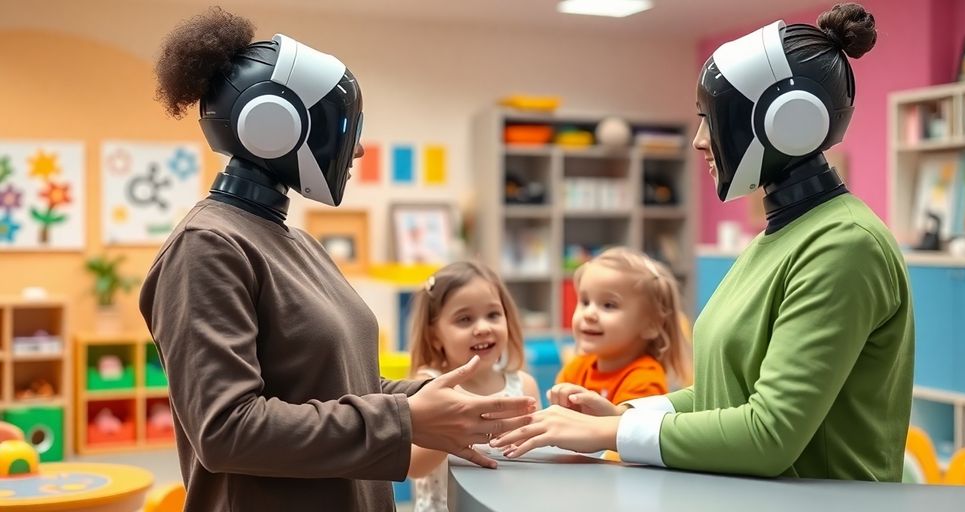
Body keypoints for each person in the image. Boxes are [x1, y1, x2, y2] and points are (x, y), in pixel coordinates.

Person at [494, 3, 915, 482]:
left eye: (711, 120)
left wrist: (611, 435)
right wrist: (620, 414)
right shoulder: (779, 238)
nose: (698, 141)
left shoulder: (845, 247)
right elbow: (725, 393)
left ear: (785, 122)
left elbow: (769, 435)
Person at [140, 8, 534, 511]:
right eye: (345, 126)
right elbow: (226, 430)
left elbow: (346, 383)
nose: (360, 149)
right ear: (273, 125)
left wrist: (439, 398)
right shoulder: (207, 247)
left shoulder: (297, 243)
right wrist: (407, 420)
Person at [405, 261, 541, 512]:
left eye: (493, 315)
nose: (483, 328)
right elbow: (414, 467)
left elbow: (536, 459)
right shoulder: (429, 385)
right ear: (435, 336)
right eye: (464, 319)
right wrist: (453, 429)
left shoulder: (524, 385)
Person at [552, 247, 692, 408]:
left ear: (651, 325)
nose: (589, 314)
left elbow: (623, 430)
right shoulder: (576, 367)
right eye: (585, 302)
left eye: (608, 305)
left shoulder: (644, 380)